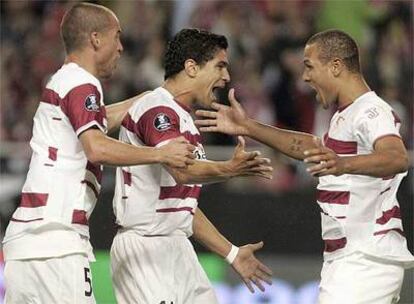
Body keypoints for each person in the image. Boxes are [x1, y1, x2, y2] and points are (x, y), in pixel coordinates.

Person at [196, 29, 414, 304]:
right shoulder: (344, 115)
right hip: (352, 258)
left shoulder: (371, 111)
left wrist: (342, 163)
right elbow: (310, 147)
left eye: (310, 66)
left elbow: (396, 157)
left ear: (335, 66)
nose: (305, 77)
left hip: (366, 258)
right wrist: (248, 126)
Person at [3, 3, 195, 304]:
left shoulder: (63, 81)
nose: (120, 47)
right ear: (95, 39)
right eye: (116, 37)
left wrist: (145, 99)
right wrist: (161, 154)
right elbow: (96, 145)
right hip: (58, 245)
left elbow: (98, 121)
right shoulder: (83, 82)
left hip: (24, 246)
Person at [110, 28, 274, 304]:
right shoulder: (157, 110)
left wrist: (231, 253)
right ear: (191, 67)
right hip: (146, 248)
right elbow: (182, 170)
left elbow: (182, 208)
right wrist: (228, 169)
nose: (226, 77)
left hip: (176, 246)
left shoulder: (182, 119)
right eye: (220, 66)